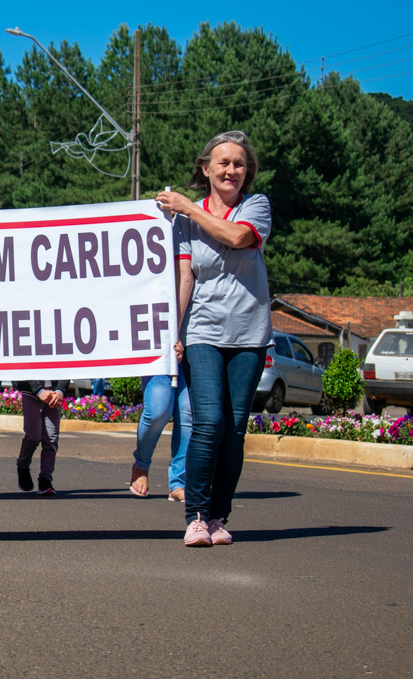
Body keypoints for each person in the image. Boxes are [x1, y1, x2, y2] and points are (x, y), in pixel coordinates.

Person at [155, 130, 272, 547]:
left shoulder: (256, 207)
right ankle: (197, 516)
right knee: (209, 421)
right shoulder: (186, 222)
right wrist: (175, 331)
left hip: (249, 335)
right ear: (206, 169)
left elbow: (238, 237)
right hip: (203, 330)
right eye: (223, 163)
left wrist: (187, 206)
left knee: (235, 429)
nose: (232, 170)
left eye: (239, 164)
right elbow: (185, 277)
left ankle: (220, 517)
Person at [129, 374, 191, 502]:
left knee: (187, 413)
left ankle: (179, 482)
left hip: (190, 356)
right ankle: (142, 464)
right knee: (157, 412)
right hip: (159, 357)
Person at [13, 379, 69, 496]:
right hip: (31, 393)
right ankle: (23, 464)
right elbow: (24, 367)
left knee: (51, 439)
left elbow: (68, 367)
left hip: (54, 394)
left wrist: (60, 390)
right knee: (33, 436)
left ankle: (45, 480)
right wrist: (39, 391)